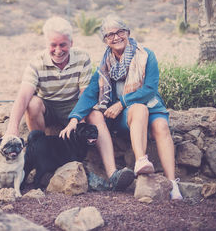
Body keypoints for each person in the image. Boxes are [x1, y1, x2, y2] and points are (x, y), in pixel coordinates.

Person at [60, 14, 183, 199]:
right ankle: (141, 161)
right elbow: (90, 94)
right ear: (105, 40)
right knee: (138, 109)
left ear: (128, 33)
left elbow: (150, 89)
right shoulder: (104, 67)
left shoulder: (146, 55)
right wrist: (74, 119)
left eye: (120, 32)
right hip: (127, 116)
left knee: (161, 126)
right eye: (110, 35)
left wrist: (121, 103)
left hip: (152, 106)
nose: (116, 37)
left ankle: (173, 185)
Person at [5, 16, 92, 137]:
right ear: (46, 44)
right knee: (32, 104)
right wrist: (12, 128)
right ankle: (40, 143)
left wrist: (77, 119)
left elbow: (85, 94)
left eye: (63, 45)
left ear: (71, 43)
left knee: (91, 115)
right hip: (47, 107)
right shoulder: (36, 62)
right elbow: (23, 96)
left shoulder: (82, 57)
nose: (58, 50)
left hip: (72, 105)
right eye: (53, 45)